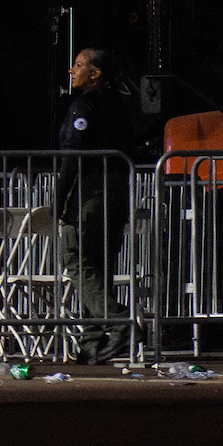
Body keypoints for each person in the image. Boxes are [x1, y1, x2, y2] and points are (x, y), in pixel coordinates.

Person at [57, 47, 137, 363]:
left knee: (75, 257)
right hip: (119, 185)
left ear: (95, 73)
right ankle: (93, 340)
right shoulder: (121, 104)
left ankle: (120, 324)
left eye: (78, 65)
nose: (71, 70)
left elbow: (72, 155)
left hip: (92, 188)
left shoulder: (84, 105)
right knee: (100, 262)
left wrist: (60, 197)